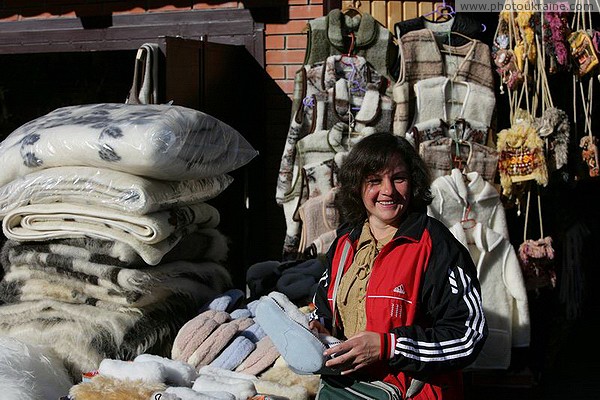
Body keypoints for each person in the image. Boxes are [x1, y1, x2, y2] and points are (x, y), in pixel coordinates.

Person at [309, 132, 488, 399]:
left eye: (398, 178)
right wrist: (319, 328)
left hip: (412, 393)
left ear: (413, 183)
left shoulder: (435, 245)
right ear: (357, 186)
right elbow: (323, 306)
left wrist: (389, 346)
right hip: (346, 391)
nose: (388, 190)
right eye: (374, 181)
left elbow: (467, 335)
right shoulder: (345, 243)